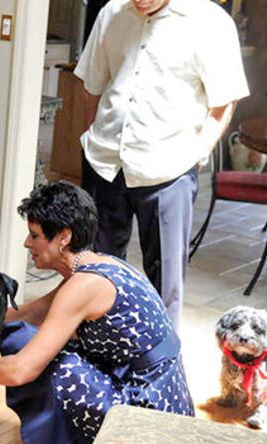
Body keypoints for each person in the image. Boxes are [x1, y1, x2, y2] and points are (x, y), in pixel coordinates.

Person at [0, 181, 194, 444]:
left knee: (56, 364)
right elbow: (27, 313)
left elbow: (21, 371)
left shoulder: (83, 286)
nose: (27, 243)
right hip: (165, 399)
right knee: (28, 336)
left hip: (148, 415)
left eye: (35, 235)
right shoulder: (100, 265)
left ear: (63, 237)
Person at [74, 0, 249, 330]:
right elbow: (92, 85)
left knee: (164, 280)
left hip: (170, 167)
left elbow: (223, 102)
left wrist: (198, 154)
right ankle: (97, 352)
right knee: (94, 270)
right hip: (105, 161)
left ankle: (159, 365)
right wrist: (91, 134)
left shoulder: (210, 22)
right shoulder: (112, 13)